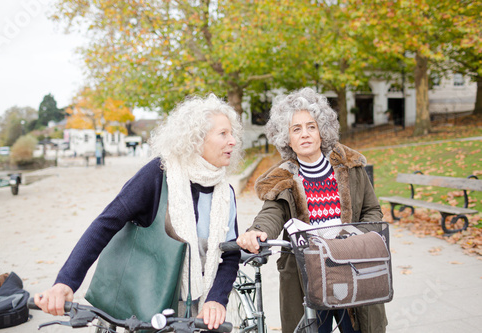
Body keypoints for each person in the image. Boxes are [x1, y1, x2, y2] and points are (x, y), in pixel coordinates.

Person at [34, 94, 243, 330]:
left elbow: (230, 254)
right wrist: (66, 282)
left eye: (232, 133)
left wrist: (217, 298)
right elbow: (106, 223)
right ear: (196, 140)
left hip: (202, 313)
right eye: (223, 134)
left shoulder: (226, 193)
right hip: (150, 308)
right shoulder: (158, 174)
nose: (233, 141)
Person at [236, 88, 387, 333]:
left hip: (353, 269)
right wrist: (257, 231)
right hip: (308, 278)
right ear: (286, 137)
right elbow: (270, 214)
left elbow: (372, 211)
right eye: (296, 129)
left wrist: (355, 237)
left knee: (360, 329)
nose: (305, 134)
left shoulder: (351, 167)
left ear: (322, 131)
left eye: (311, 127)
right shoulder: (283, 178)